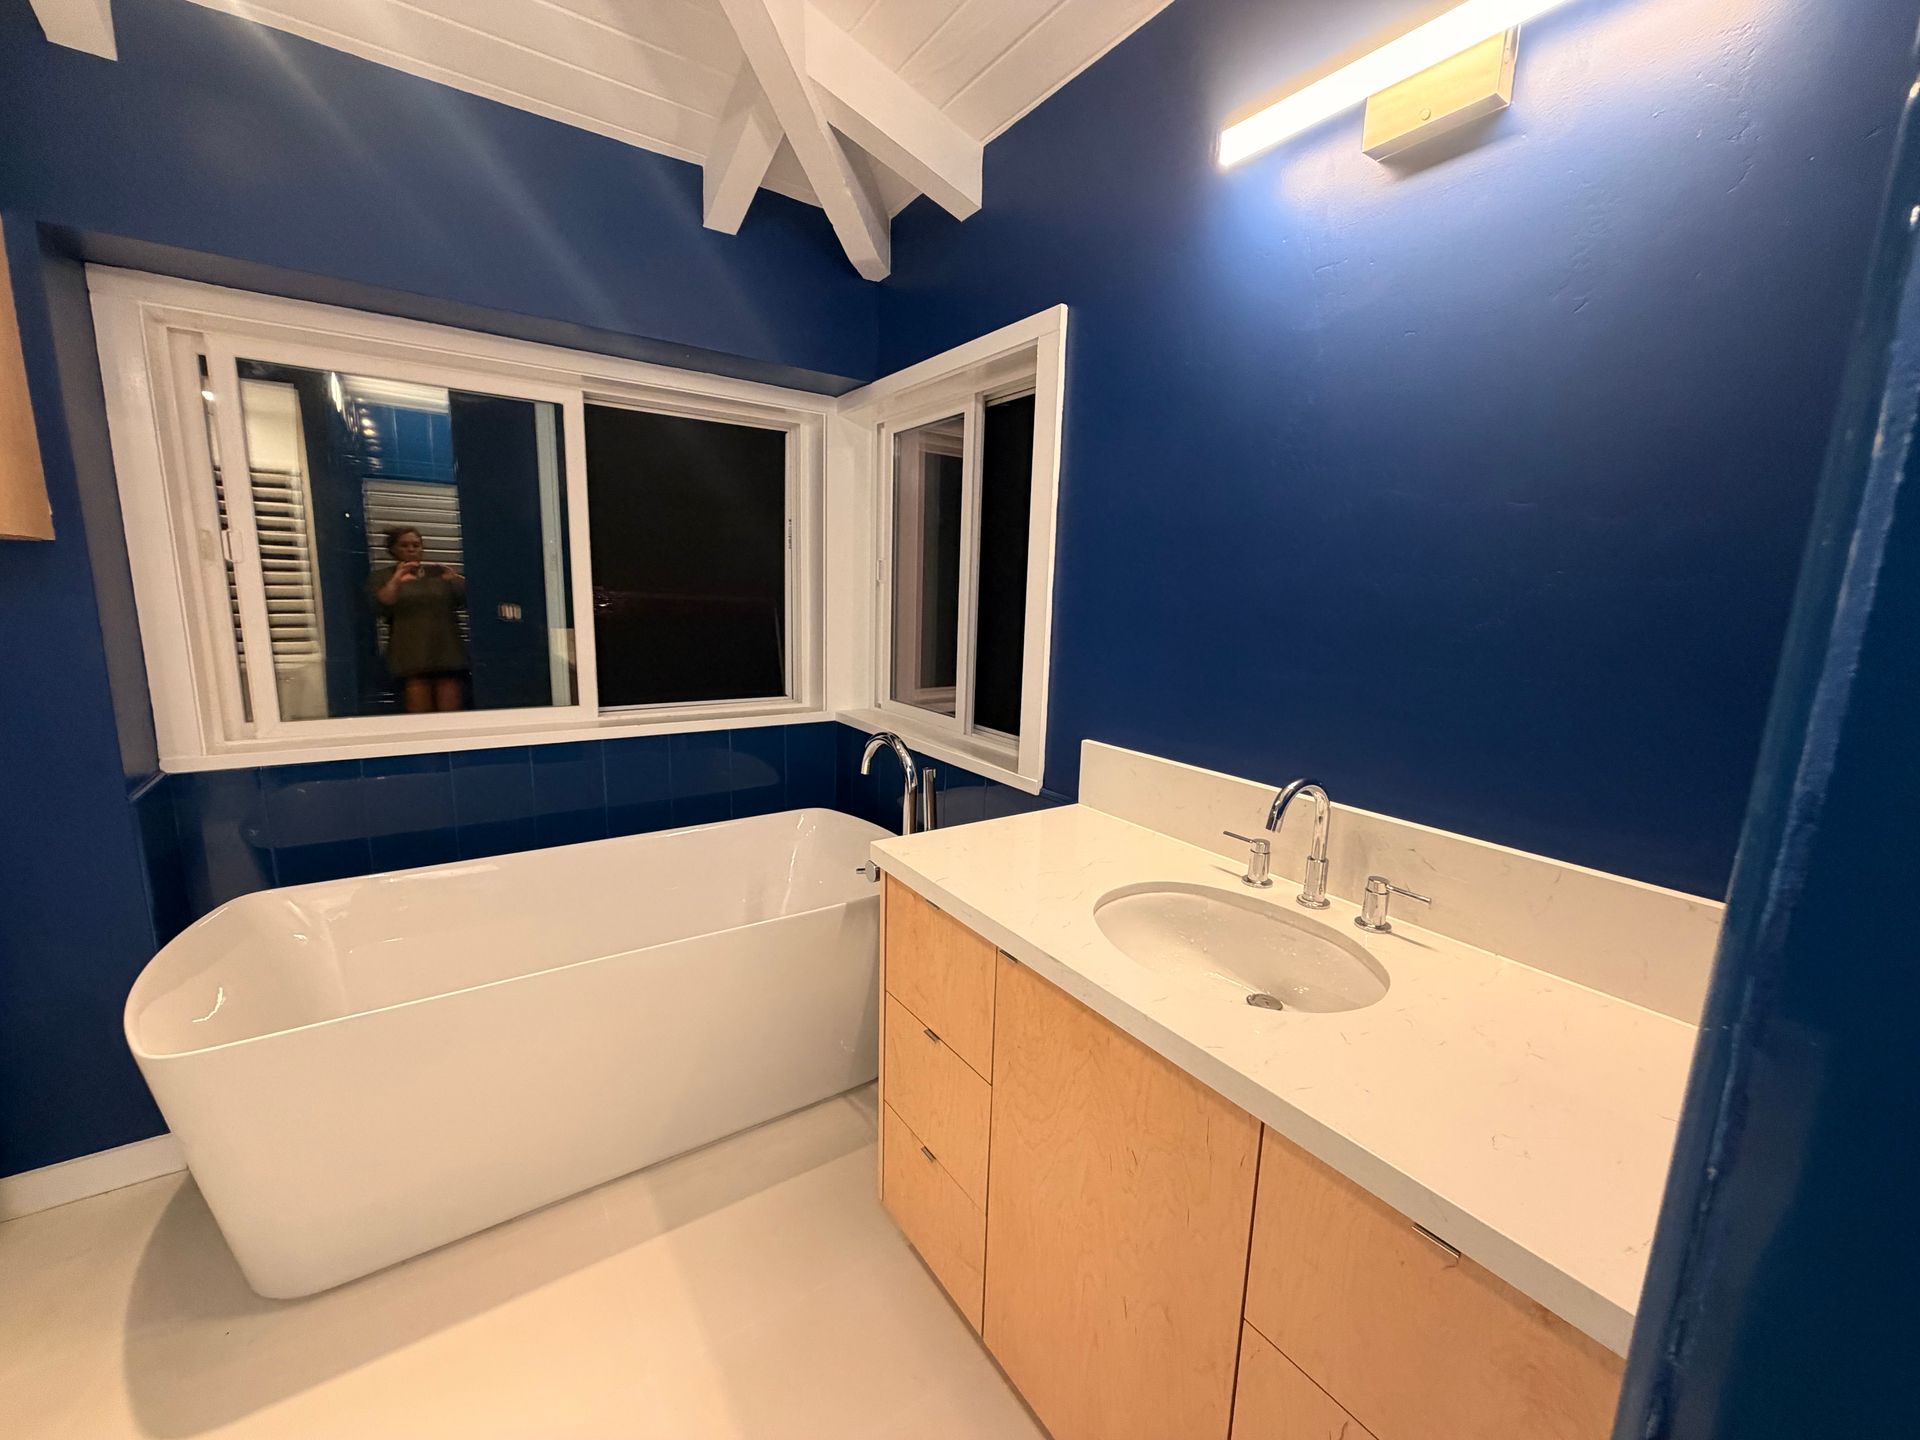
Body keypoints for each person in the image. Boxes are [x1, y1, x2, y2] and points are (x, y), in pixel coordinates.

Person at [368, 526, 468, 713]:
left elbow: (465, 599)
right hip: (410, 653)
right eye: (404, 545)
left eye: (416, 545)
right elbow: (382, 604)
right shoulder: (382, 577)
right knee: (420, 714)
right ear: (393, 550)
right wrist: (398, 578)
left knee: (452, 715)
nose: (411, 549)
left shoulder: (437, 573)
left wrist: (454, 579)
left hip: (446, 648)